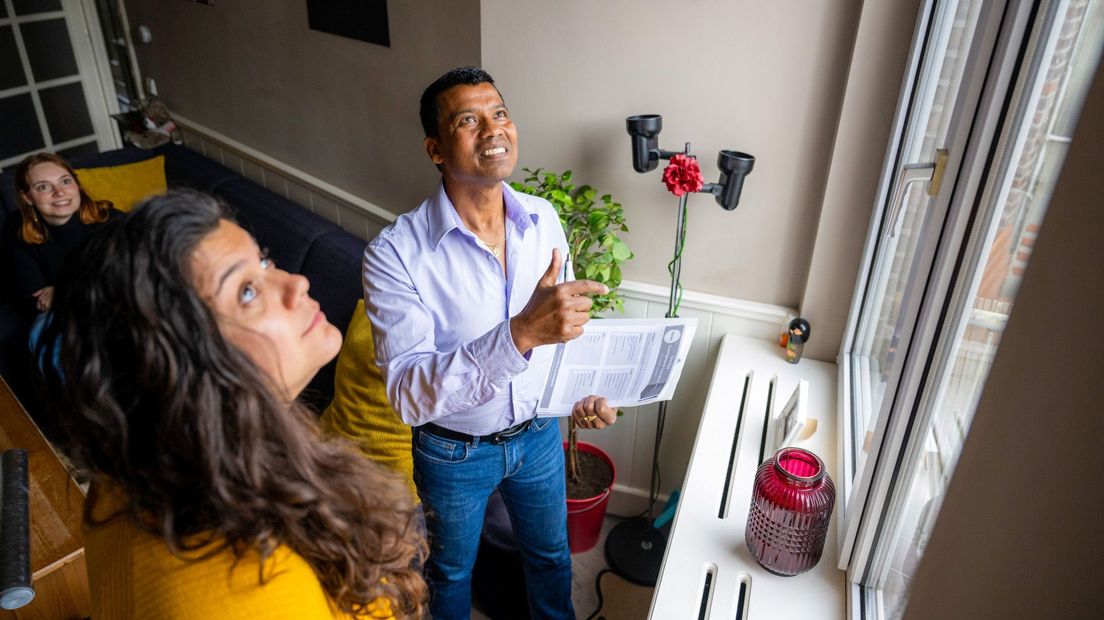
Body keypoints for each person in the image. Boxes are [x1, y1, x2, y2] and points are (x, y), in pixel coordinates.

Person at [35, 191, 427, 619]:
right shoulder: (249, 591)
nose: (296, 283)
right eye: (245, 291)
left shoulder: (135, 471)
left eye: (264, 262)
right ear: (178, 368)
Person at [362, 66, 618, 619]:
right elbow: (408, 393)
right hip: (452, 450)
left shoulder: (543, 219)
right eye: (468, 120)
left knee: (551, 559)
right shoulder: (395, 254)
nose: (493, 130)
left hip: (540, 437)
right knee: (450, 573)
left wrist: (583, 396)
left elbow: (562, 331)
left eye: (499, 113)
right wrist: (520, 332)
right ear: (435, 148)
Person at [2, 152, 121, 315]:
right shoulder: (16, 226)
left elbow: (125, 282)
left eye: (65, 181)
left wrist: (63, 291)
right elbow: (35, 297)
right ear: (27, 197)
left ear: (77, 185)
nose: (59, 192)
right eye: (43, 187)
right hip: (64, 315)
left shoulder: (112, 221)